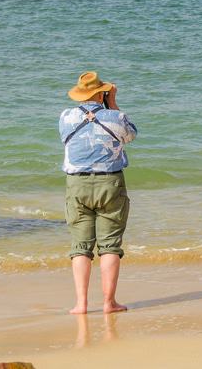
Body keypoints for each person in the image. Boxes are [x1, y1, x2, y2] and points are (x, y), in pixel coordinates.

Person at [59, 71, 138, 314]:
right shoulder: (116, 116)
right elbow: (131, 135)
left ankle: (81, 304)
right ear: (102, 92)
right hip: (110, 183)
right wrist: (112, 104)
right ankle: (108, 303)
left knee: (80, 246)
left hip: (77, 184)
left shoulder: (65, 117)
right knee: (110, 245)